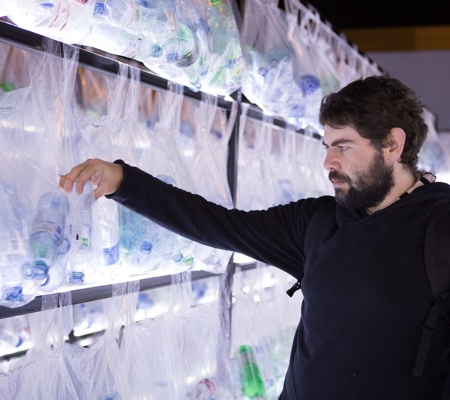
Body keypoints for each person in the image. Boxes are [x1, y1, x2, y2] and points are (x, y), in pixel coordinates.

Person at [59, 75, 450, 399]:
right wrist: (124, 182)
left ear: (392, 145)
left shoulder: (440, 230)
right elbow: (218, 224)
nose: (328, 162)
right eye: (327, 146)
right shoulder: (317, 222)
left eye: (343, 147)